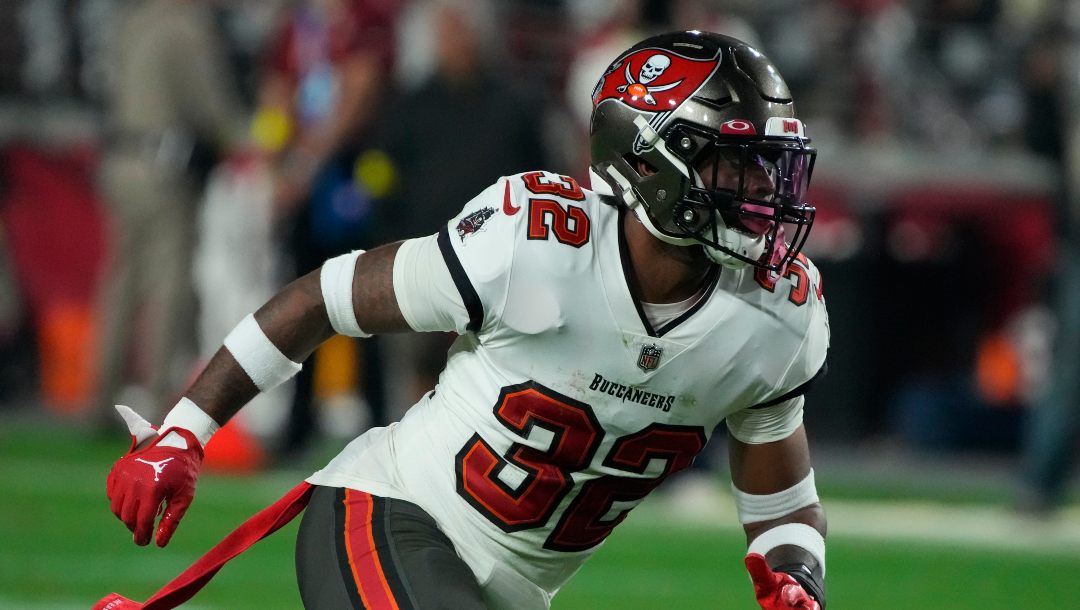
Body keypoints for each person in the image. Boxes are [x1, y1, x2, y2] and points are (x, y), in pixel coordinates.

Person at [96, 31, 830, 610]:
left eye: (770, 163)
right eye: (735, 163)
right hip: (389, 515)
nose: (763, 188)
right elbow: (324, 298)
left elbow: (783, 507)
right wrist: (184, 432)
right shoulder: (533, 245)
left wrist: (797, 577)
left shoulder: (775, 317)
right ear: (645, 164)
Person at [92, 0, 250, 426]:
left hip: (120, 158)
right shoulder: (187, 27)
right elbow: (209, 104)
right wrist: (246, 138)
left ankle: (100, 396)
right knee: (168, 285)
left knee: (122, 280)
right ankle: (160, 396)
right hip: (162, 166)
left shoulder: (132, 20)